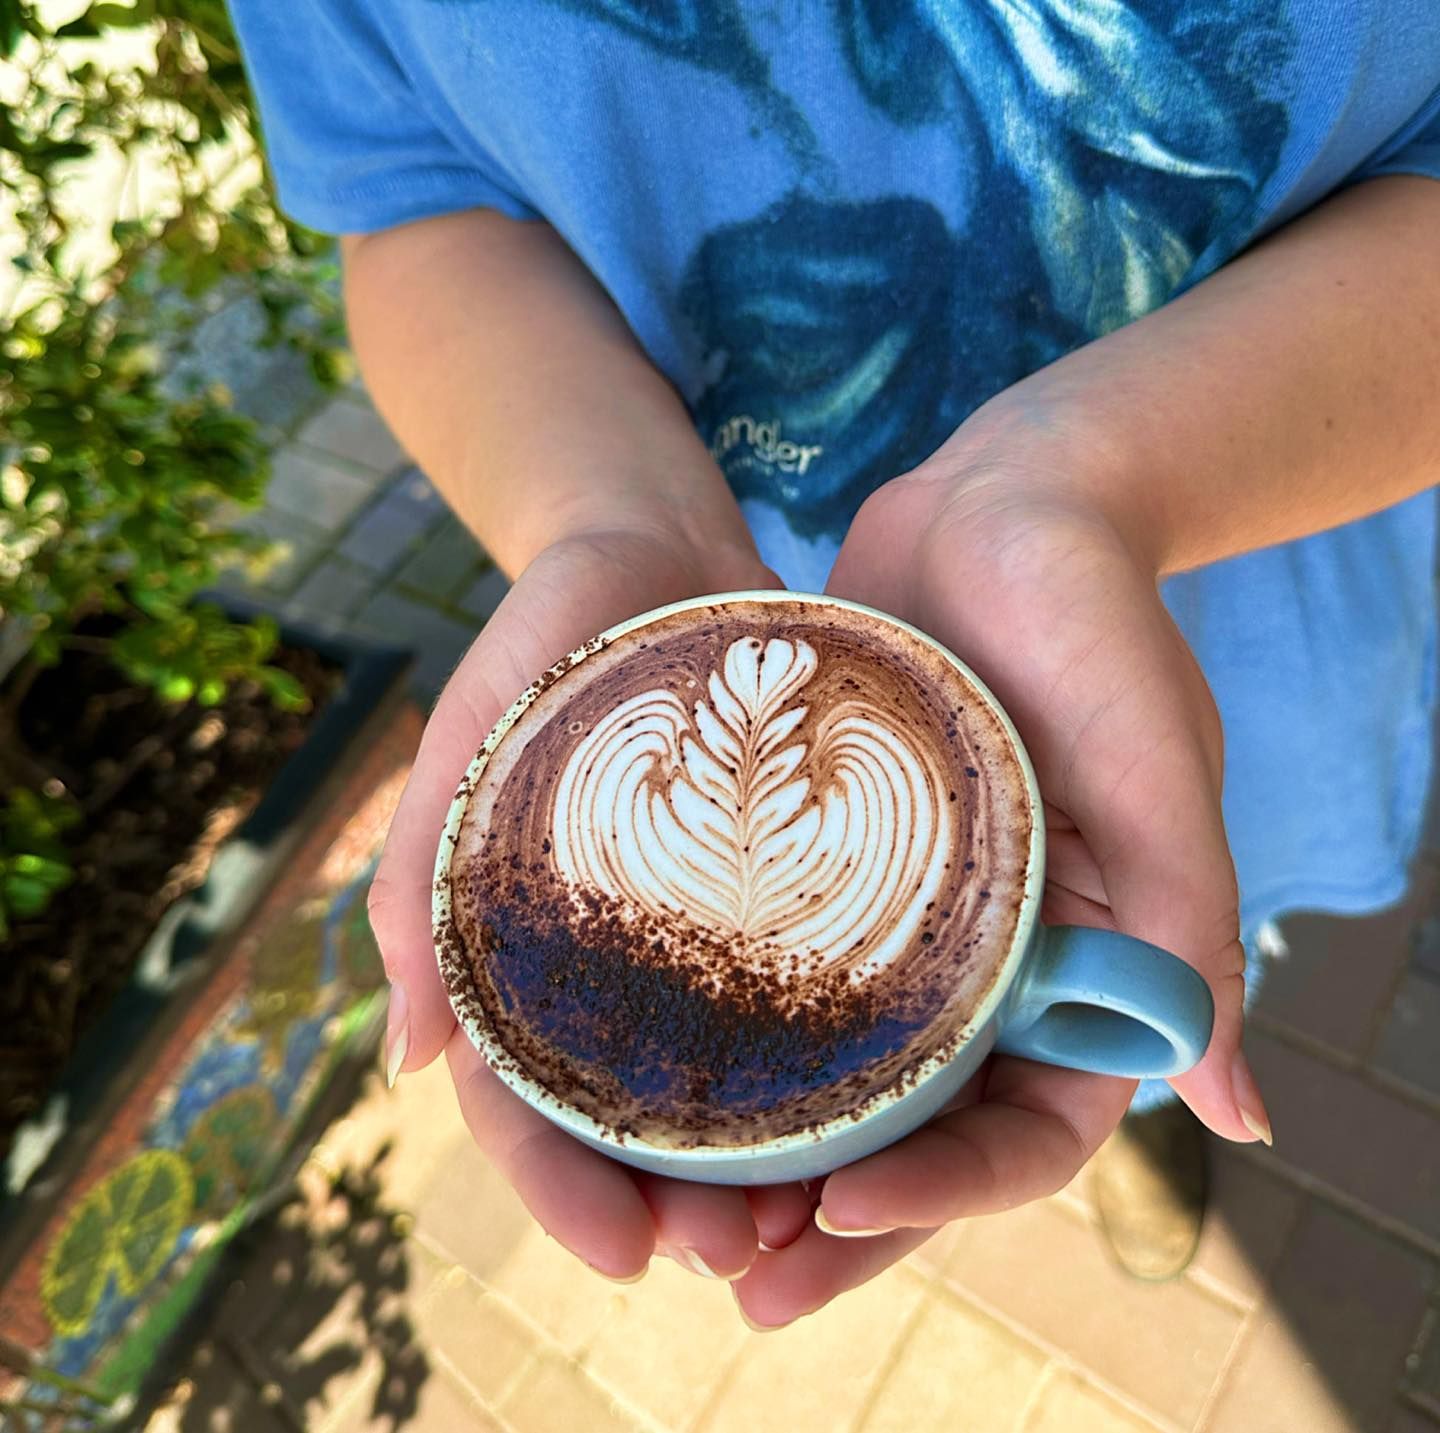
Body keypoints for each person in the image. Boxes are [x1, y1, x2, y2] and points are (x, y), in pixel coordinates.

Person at [230, 1, 1440, 1328]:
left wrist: (1102, 478)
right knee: (1133, 939)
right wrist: (607, 510)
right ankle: (1089, 1045)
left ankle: (1129, 1080)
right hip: (692, 624)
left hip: (1266, 555)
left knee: (1176, 895)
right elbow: (412, 199)